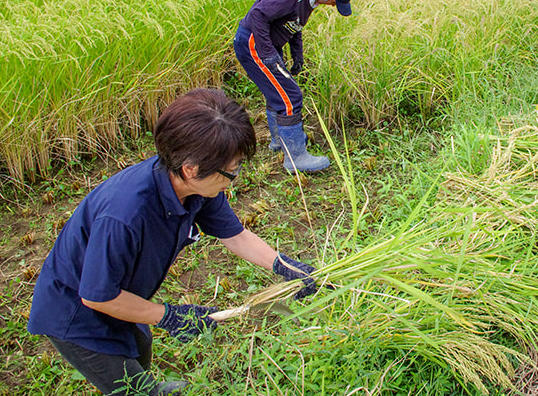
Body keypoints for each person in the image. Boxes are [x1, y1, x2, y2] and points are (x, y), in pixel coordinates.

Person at [27, 88, 320, 395]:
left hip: (125, 292)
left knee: (141, 344)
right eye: (231, 172)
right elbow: (98, 296)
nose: (235, 179)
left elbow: (235, 235)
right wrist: (170, 316)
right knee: (133, 387)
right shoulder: (126, 214)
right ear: (190, 169)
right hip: (78, 316)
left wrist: (285, 266)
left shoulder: (198, 188)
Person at [233, 0, 359, 173]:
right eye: (335, 1)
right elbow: (258, 14)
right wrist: (268, 54)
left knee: (278, 92)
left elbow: (294, 24)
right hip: (253, 44)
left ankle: (279, 143)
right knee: (290, 97)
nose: (333, 5)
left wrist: (297, 55)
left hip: (267, 45)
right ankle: (295, 158)